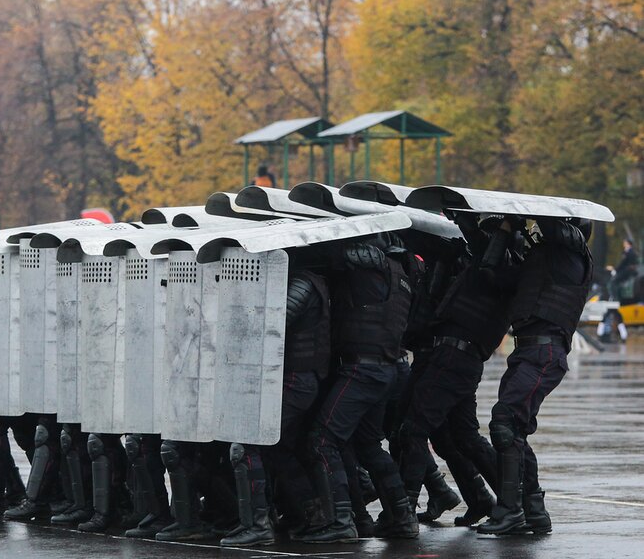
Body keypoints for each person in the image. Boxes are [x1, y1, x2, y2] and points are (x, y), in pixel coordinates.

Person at [398, 215, 518, 526]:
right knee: (463, 437)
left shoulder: (503, 269)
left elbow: (485, 253)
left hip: (454, 358)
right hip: (458, 359)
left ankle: (402, 514)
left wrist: (467, 218)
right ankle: (507, 502)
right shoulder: (494, 268)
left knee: (413, 430)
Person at [477, 217, 593, 536]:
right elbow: (491, 274)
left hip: (544, 352)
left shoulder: (571, 256)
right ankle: (534, 511)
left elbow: (555, 232)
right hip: (527, 352)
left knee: (505, 422)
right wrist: (501, 232)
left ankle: (511, 512)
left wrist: (524, 217)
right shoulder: (540, 265)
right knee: (513, 430)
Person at [300, 233, 418, 544]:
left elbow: (327, 254)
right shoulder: (401, 274)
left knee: (322, 441)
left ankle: (341, 521)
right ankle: (402, 517)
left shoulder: (368, 263)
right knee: (367, 446)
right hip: (384, 369)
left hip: (361, 370)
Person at [221, 268, 331, 547]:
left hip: (296, 379)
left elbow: (274, 322)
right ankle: (309, 514)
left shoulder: (304, 282)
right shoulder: (311, 280)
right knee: (279, 448)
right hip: (297, 378)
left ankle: (258, 526)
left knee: (248, 444)